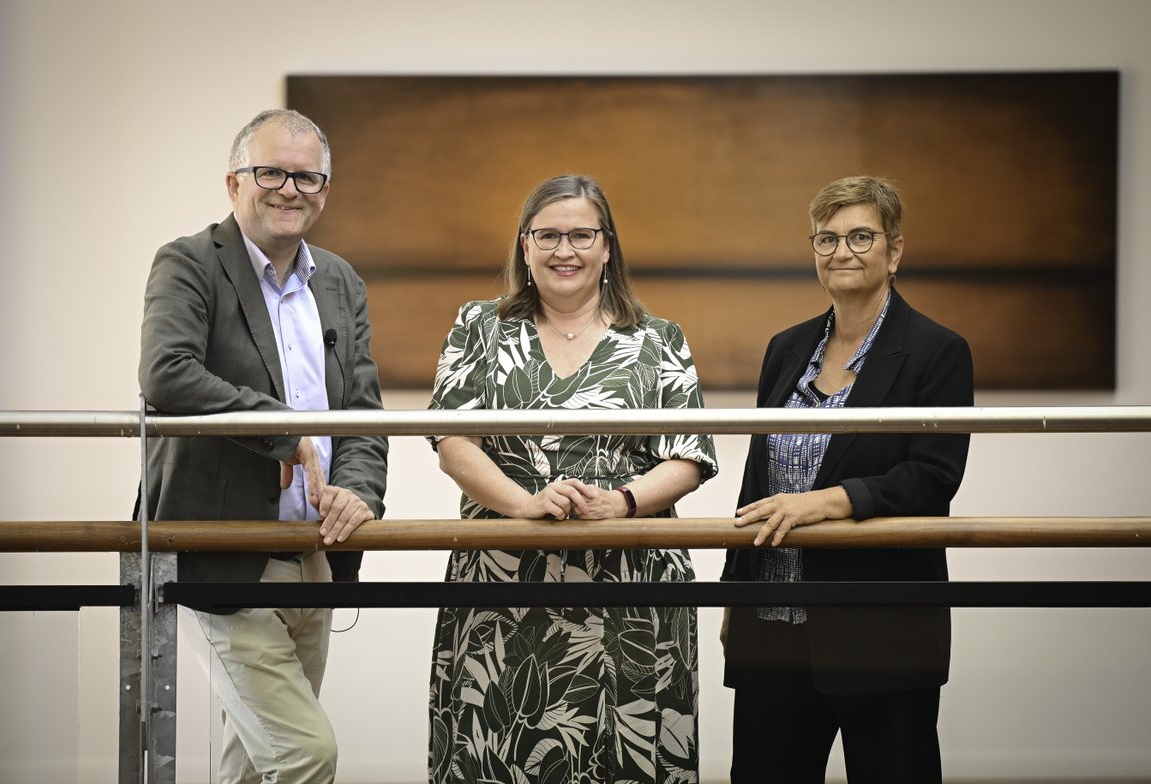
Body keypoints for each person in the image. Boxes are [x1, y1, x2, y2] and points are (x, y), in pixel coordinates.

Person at [426, 174, 718, 784]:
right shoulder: (479, 328)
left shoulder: (657, 339)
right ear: (524, 246)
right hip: (505, 592)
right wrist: (524, 504)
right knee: (499, 755)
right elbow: (452, 440)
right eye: (548, 236)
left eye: (582, 235)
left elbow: (688, 456)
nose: (566, 250)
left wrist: (623, 502)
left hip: (632, 594)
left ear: (607, 246)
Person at [138, 108, 388, 784]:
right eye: (270, 171)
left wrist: (360, 493)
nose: (289, 189)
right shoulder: (190, 262)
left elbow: (362, 412)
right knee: (305, 754)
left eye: (307, 177)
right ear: (233, 182)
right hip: (226, 552)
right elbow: (168, 373)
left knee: (252, 763)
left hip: (315, 554)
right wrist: (287, 432)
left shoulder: (338, 280)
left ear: (325, 190)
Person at [722, 175, 973, 783]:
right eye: (827, 238)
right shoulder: (786, 349)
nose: (843, 251)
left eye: (862, 236)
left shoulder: (937, 351)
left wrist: (827, 503)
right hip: (774, 626)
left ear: (895, 250)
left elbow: (932, 477)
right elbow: (760, 478)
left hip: (879, 628)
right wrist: (735, 588)